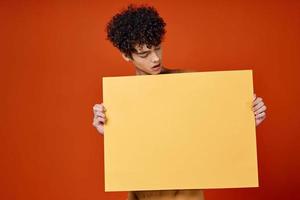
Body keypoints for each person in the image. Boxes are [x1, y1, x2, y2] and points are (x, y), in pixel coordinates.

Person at [92, 4, 267, 200]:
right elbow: (137, 150)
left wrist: (246, 122)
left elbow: (213, 133)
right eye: (144, 54)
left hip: (185, 194)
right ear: (126, 55)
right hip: (142, 192)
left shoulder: (189, 82)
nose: (155, 58)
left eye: (158, 47)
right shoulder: (121, 100)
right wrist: (110, 131)